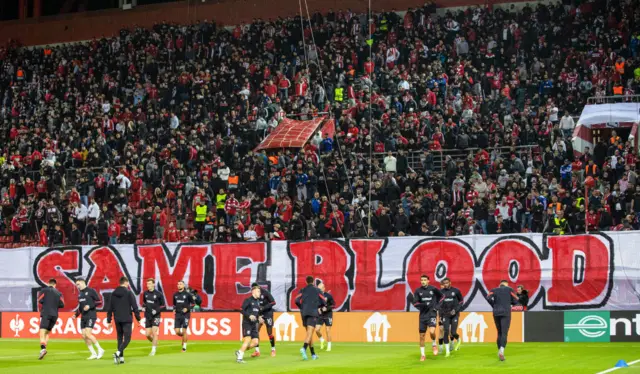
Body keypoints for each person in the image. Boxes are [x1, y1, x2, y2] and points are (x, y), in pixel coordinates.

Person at [106, 276, 142, 365]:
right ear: (126, 283)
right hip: (127, 319)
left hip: (117, 319)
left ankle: (121, 358)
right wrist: (138, 318)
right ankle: (117, 353)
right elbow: (135, 307)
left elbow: (110, 308)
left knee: (119, 338)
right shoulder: (129, 293)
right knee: (127, 338)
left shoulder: (113, 293)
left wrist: (109, 320)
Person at [412, 274, 443, 361]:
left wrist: (436, 307)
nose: (423, 281)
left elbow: (442, 297)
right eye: (422, 280)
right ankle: (422, 355)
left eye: (425, 280)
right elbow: (415, 303)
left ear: (428, 281)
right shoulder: (418, 291)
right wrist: (423, 305)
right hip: (422, 316)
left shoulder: (433, 289)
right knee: (422, 336)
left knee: (432, 331)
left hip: (432, 314)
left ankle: (434, 344)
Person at [486, 280, 519, 361]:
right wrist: (510, 303)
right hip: (505, 312)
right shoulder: (509, 289)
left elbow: (488, 297)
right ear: (506, 284)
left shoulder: (494, 290)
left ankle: (499, 350)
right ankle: (502, 350)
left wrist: (494, 305)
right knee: (504, 332)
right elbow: (516, 299)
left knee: (499, 332)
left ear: (500, 284)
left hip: (496, 312)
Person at [294, 275, 325, 361]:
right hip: (312, 313)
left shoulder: (302, 290)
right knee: (310, 333)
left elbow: (296, 300)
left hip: (304, 313)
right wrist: (318, 306)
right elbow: (324, 301)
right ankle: (303, 348)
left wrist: (302, 307)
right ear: (313, 282)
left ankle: (313, 354)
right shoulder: (317, 290)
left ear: (306, 282)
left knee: (309, 333)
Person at [74, 278, 105, 360]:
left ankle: (100, 349)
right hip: (83, 316)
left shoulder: (91, 291)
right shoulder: (80, 294)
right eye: (76, 285)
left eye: (78, 284)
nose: (77, 286)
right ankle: (93, 353)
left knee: (88, 334)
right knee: (84, 336)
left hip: (91, 315)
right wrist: (75, 315)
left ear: (82, 282)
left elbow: (99, 302)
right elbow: (80, 307)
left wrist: (90, 306)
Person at [37, 278, 64, 360]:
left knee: (42, 331)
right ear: (55, 285)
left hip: (46, 313)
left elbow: (39, 300)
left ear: (48, 283)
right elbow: (62, 304)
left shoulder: (44, 290)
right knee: (47, 333)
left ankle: (43, 349)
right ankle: (44, 348)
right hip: (55, 315)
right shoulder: (59, 293)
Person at [437, 278, 464, 357]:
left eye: (447, 283)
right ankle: (447, 351)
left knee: (453, 332)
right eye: (444, 283)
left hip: (454, 314)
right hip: (445, 314)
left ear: (450, 283)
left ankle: (458, 339)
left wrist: (456, 310)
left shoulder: (456, 291)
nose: (445, 284)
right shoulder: (441, 292)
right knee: (445, 331)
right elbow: (440, 305)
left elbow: (461, 301)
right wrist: (441, 316)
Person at [236, 284, 262, 364]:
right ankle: (239, 358)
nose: (259, 293)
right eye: (258, 291)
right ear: (253, 292)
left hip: (254, 324)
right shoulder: (248, 300)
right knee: (247, 340)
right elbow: (241, 309)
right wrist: (249, 315)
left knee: (255, 342)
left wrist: (259, 317)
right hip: (247, 323)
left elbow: (256, 313)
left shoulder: (257, 302)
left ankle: (239, 351)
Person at [251, 283, 277, 357]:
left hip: (268, 314)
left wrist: (264, 307)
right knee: (256, 332)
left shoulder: (265, 292)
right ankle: (257, 351)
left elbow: (273, 302)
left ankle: (273, 349)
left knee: (269, 333)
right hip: (259, 314)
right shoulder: (254, 295)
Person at [142, 278, 165, 356]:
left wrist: (156, 310)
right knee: (147, 335)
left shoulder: (159, 294)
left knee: (154, 332)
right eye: (147, 284)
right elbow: (144, 303)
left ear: (153, 284)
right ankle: (155, 343)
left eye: (149, 284)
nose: (148, 285)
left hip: (156, 316)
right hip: (148, 316)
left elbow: (163, 306)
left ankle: (153, 350)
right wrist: (143, 307)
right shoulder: (145, 293)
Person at [173, 280, 194, 352]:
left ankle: (184, 347)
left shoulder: (188, 294)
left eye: (180, 284)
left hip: (186, 315)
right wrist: (174, 309)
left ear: (183, 286)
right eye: (178, 284)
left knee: (184, 330)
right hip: (178, 314)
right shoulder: (175, 295)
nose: (179, 285)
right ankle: (184, 336)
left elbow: (193, 304)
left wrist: (187, 308)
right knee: (177, 331)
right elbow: (174, 304)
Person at [315, 282, 335, 351]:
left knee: (327, 330)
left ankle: (329, 345)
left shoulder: (328, 296)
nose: (318, 290)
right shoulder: (316, 296)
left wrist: (327, 308)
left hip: (328, 314)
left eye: (320, 289)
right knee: (317, 330)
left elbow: (333, 305)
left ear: (323, 288)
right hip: (321, 315)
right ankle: (322, 340)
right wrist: (318, 309)